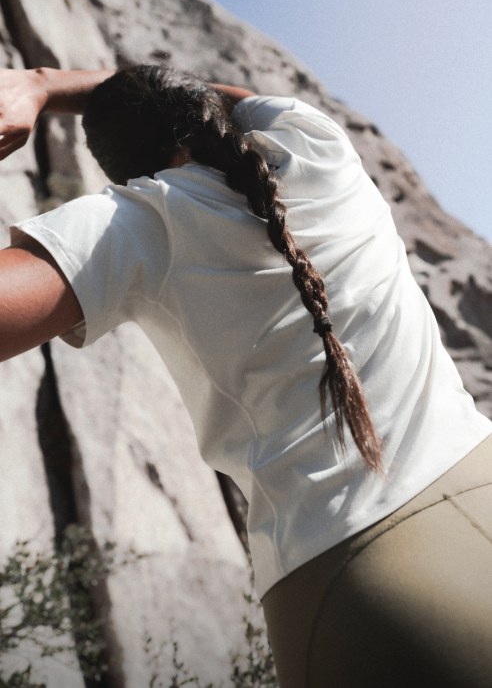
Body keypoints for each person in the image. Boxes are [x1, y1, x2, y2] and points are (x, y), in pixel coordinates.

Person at [0, 64, 491, 687]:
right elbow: (218, 93)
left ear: (124, 173)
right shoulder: (316, 141)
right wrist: (41, 83)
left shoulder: (134, 221)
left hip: (360, 586)